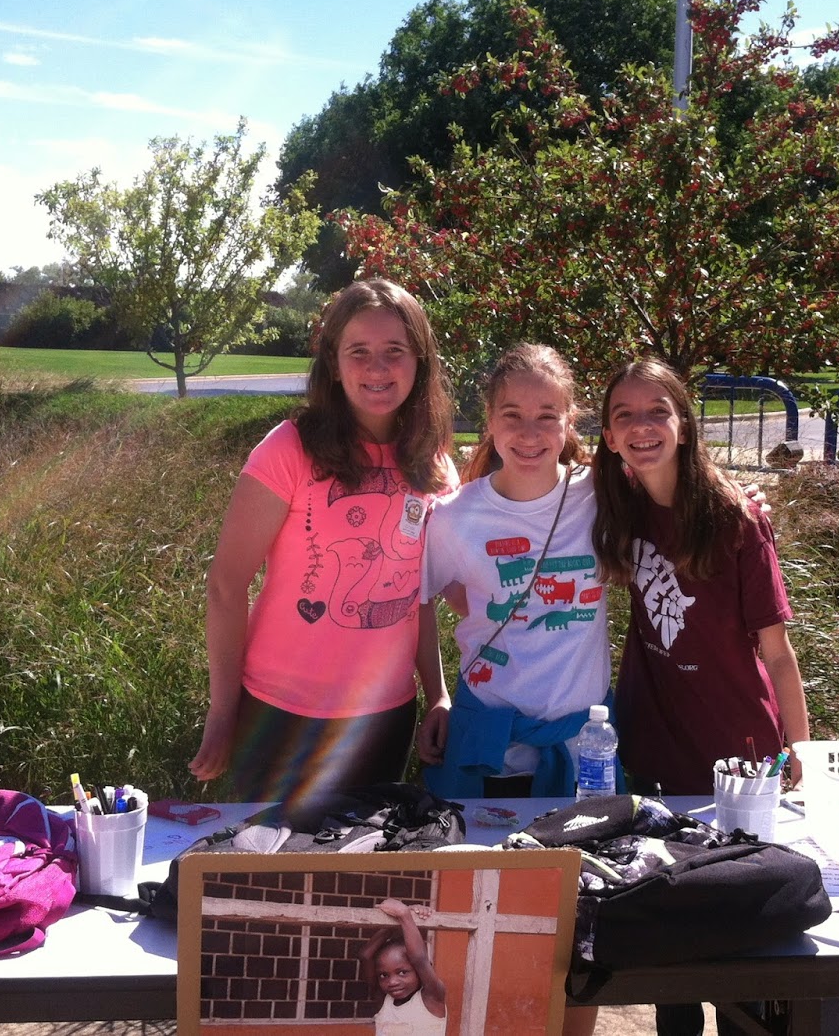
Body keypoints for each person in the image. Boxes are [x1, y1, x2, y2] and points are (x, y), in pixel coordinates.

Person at [593, 358, 810, 1036]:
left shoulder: (736, 519)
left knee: (745, 946)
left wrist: (802, 748)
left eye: (657, 410)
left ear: (684, 424)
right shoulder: (619, 506)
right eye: (624, 415)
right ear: (608, 435)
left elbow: (777, 652)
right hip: (655, 751)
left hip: (737, 760)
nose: (642, 426)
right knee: (673, 941)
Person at [189, 279, 458, 805]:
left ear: (420, 362)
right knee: (270, 858)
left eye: (395, 351)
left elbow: (416, 596)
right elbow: (226, 585)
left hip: (383, 720)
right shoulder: (288, 449)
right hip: (277, 716)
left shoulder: (433, 467)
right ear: (333, 363)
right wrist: (223, 711)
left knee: (365, 855)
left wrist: (438, 694)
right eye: (358, 352)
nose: (377, 368)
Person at [416, 343, 611, 801]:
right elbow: (421, 601)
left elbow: (674, 494)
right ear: (489, 419)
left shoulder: (603, 496)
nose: (529, 433)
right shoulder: (454, 517)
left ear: (569, 420)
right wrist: (437, 694)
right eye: (512, 415)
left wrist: (740, 499)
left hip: (583, 744)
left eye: (547, 415)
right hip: (487, 741)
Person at [360, 898, 448, 1035]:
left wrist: (404, 915)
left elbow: (419, 959)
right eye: (384, 975)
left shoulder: (432, 996)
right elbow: (366, 956)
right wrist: (399, 919)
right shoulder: (384, 1000)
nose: (392, 982)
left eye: (402, 972)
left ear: (420, 971)